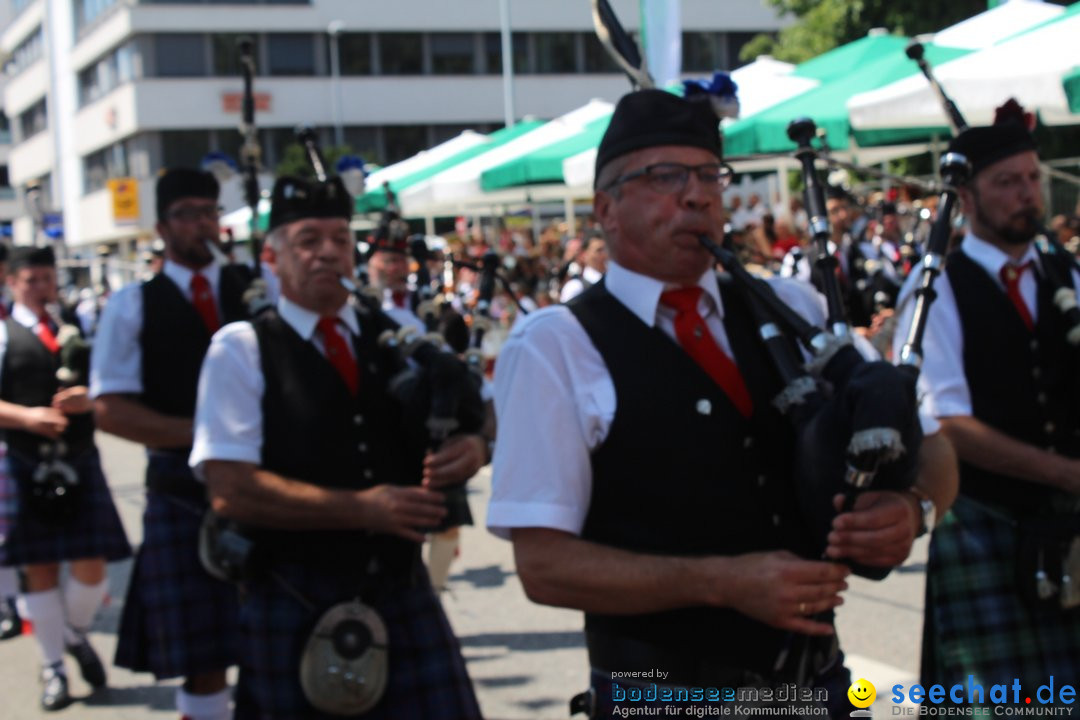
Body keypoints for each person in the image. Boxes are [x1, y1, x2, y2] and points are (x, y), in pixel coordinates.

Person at [488, 89, 958, 718]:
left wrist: (912, 507)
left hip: (817, 691)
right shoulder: (556, 345)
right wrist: (722, 583)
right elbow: (544, 566)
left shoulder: (793, 307)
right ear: (606, 208)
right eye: (665, 177)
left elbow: (932, 445)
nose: (698, 195)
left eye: (710, 174)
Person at [190, 173, 485, 719]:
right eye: (308, 239)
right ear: (272, 256)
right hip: (294, 593)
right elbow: (230, 492)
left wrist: (474, 447)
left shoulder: (396, 334)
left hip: (401, 588)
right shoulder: (240, 350)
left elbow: (478, 417)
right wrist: (361, 508)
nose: (328, 252)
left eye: (340, 239)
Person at [892, 101, 1080, 695]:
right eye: (1007, 182)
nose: (1028, 194)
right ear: (967, 200)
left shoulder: (1068, 276)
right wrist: (1066, 473)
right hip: (986, 525)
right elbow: (945, 423)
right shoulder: (934, 290)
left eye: (1033, 179)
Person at [91, 168, 252, 720]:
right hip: (183, 490)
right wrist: (208, 437)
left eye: (211, 212)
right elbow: (109, 410)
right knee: (205, 655)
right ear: (161, 227)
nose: (203, 224)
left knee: (277, 633)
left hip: (270, 482)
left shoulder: (256, 289)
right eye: (188, 213)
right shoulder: (131, 305)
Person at [0, 245, 131, 711]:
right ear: (11, 282)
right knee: (39, 570)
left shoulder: (76, 326)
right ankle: (53, 666)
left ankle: (74, 633)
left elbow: (112, 383)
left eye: (47, 279)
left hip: (78, 458)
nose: (41, 288)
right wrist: (28, 418)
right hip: (24, 460)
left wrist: (89, 399)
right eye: (30, 280)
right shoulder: (1, 334)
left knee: (92, 569)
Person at [559, 233, 608, 303]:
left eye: (606, 249)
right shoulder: (575, 287)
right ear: (584, 254)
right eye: (599, 250)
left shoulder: (613, 282)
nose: (605, 254)